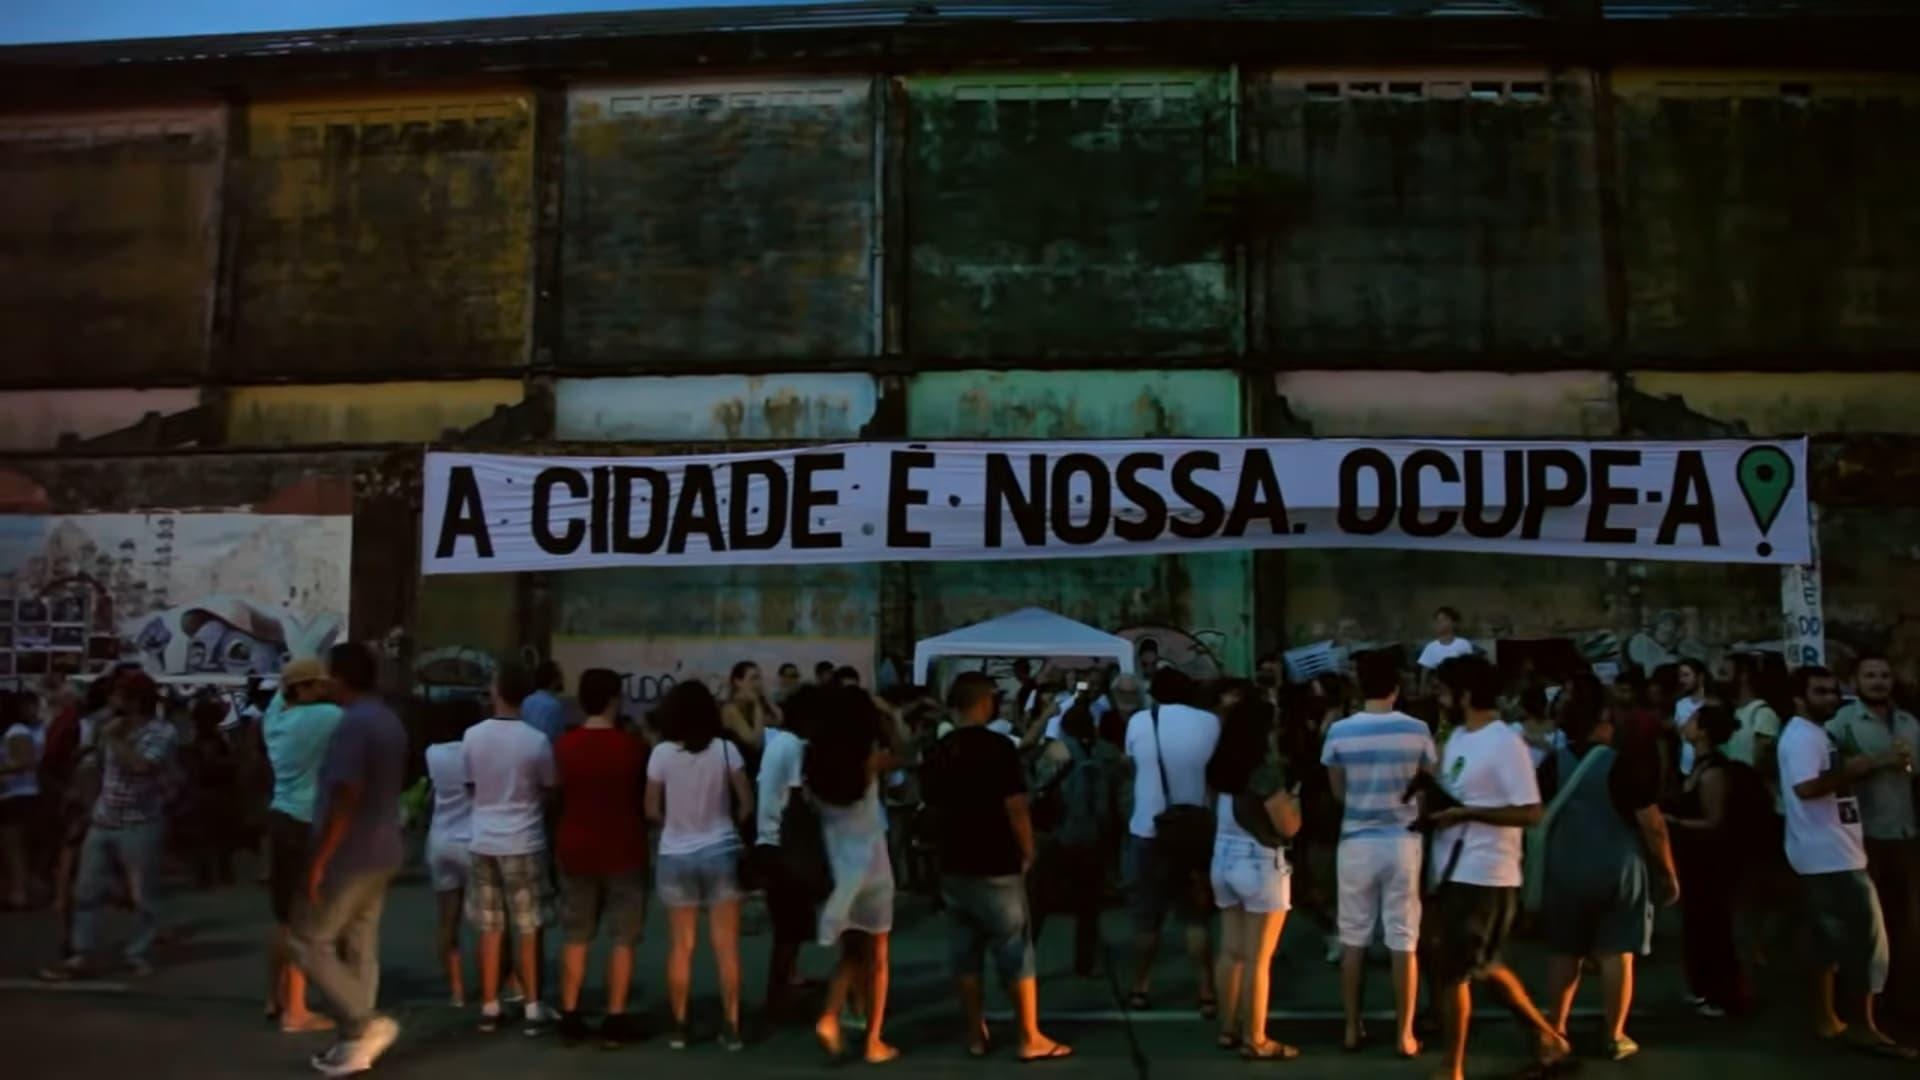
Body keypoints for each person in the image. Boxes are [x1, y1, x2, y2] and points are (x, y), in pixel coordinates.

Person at [1423, 656, 1570, 1080]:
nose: (1440, 700)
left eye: (1445, 692)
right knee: (1479, 966)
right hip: (1453, 867)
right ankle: (1546, 1037)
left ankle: (1453, 1066)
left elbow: (1530, 812)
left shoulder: (1505, 743)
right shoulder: (1458, 739)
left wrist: (1468, 814)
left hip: (1487, 871)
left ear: (1465, 695)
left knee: (1459, 971)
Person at [924, 672, 1071, 1063]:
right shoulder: (997, 748)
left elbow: (931, 806)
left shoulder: (941, 749)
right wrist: (1027, 851)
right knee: (1014, 949)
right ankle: (1029, 1035)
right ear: (985, 702)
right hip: (996, 862)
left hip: (954, 863)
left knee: (965, 953)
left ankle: (975, 1033)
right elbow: (1016, 805)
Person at [1538, 679, 1677, 1061]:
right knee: (1618, 953)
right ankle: (1615, 1035)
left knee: (1564, 952)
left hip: (1565, 867)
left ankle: (1556, 1030)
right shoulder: (1623, 764)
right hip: (1619, 867)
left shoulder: (1554, 763)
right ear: (1603, 719)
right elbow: (1652, 823)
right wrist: (1667, 873)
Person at [1779, 665, 1914, 1057]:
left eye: (1833, 691)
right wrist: (1859, 768)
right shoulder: (1802, 737)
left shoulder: (1814, 733)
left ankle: (1828, 1018)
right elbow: (1806, 788)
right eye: (1820, 692)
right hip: (1831, 855)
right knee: (1868, 944)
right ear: (1799, 698)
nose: (1831, 698)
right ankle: (1862, 1025)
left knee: (1828, 942)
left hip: (1830, 850)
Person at [292, 642, 408, 1077]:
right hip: (384, 844)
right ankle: (356, 1041)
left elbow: (347, 794)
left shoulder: (355, 725)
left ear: (339, 678)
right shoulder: (387, 719)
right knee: (359, 942)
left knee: (310, 939)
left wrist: (322, 857)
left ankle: (364, 1023)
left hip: (353, 850)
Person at [1320, 651, 1435, 1057]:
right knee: (1403, 938)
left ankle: (1353, 1028)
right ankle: (1405, 1034)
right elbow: (1428, 786)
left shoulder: (1339, 732)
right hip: (1403, 840)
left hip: (1356, 840)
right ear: (1397, 687)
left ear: (1359, 687)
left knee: (1353, 937)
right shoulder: (1417, 729)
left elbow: (1337, 792)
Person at [41, 673, 175, 981]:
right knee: (86, 891)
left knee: (144, 896)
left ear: (135, 701)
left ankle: (138, 953)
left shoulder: (160, 732)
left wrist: (114, 739)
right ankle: (81, 953)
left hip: (141, 822)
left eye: (119, 695)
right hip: (103, 819)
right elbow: (95, 764)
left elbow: (141, 766)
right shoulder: (104, 723)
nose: (112, 701)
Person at [645, 681, 753, 1050]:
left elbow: (651, 808)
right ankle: (732, 1024)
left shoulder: (660, 754)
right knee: (726, 946)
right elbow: (745, 803)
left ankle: (679, 1024)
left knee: (681, 946)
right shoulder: (726, 750)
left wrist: (674, 824)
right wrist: (727, 819)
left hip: (676, 853)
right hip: (720, 849)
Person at [553, 668, 651, 1046]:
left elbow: (556, 795)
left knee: (576, 933)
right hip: (624, 847)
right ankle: (615, 1015)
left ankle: (571, 1012)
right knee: (623, 937)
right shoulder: (631, 747)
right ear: (614, 699)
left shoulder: (565, 746)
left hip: (575, 845)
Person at [462, 659, 559, 1035]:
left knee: (490, 927)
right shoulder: (536, 740)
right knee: (529, 926)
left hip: (484, 836)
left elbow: (470, 785)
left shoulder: (472, 736)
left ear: (496, 691)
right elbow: (550, 789)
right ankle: (533, 1005)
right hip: (525, 838)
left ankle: (490, 1004)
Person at [807, 685, 901, 1064]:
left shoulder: (813, 764)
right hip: (873, 864)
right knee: (877, 956)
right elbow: (905, 753)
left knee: (851, 951)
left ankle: (831, 1016)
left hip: (839, 868)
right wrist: (889, 715)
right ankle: (874, 1040)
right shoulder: (869, 760)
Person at [1122, 667, 1221, 1014]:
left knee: (1147, 918)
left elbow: (1134, 768)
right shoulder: (1210, 723)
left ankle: (1140, 987)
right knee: (1195, 916)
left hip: (1148, 829)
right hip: (1194, 830)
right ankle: (1207, 991)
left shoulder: (1138, 722)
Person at [1208, 697, 1302, 1060]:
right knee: (1258, 959)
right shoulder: (1265, 772)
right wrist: (1295, 800)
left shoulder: (1221, 767)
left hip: (1223, 857)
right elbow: (1288, 826)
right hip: (1259, 862)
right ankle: (1256, 1038)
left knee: (1231, 952)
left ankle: (1227, 1028)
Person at [1828, 652, 1920, 1014]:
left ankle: (1900, 996)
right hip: (1862, 837)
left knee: (1905, 921)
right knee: (1863, 924)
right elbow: (1830, 776)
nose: (1879, 681)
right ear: (1856, 681)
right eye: (1871, 675)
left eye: (1884, 675)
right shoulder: (1842, 723)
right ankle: (1859, 1002)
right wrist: (1878, 762)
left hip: (1904, 832)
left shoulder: (1909, 722)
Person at [261, 658, 344, 1033]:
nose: (325, 690)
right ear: (304, 688)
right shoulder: (325, 717)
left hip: (280, 816)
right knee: (306, 919)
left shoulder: (275, 720)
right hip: (306, 822)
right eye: (319, 685)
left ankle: (274, 996)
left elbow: (280, 696)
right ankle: (296, 1009)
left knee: (282, 918)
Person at [1667, 703, 1760, 1017]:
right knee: (1700, 925)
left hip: (1711, 863)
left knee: (1712, 926)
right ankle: (1705, 988)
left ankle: (1721, 994)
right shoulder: (1700, 766)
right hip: (1696, 861)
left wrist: (1673, 823)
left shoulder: (1713, 772)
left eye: (1693, 720)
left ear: (1704, 731)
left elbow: (1714, 820)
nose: (1686, 723)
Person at [1030, 697, 1125, 979]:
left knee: (1039, 903)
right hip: (1093, 837)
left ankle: (1024, 959)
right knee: (1089, 906)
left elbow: (1038, 787)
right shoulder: (1105, 754)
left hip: (1058, 835)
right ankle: (1085, 962)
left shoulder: (1056, 752)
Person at [757, 683, 818, 1016]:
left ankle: (785, 982)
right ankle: (777, 993)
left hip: (771, 839)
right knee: (789, 926)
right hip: (783, 844)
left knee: (788, 924)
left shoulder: (779, 742)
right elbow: (797, 797)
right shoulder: (793, 746)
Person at [423, 699, 479, 1007]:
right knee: (487, 922)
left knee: (447, 920)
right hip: (471, 840)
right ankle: (497, 984)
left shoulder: (433, 752)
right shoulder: (472, 752)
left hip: (439, 839)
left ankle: (456, 991)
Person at [1, 690, 47, 910]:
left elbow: (25, 761)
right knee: (14, 848)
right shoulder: (13, 731)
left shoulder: (16, 731)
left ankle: (20, 894)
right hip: (14, 795)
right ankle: (20, 891)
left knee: (16, 848)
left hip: (19, 795)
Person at [721, 661, 778, 758]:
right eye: (753, 679)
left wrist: (766, 697)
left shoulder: (751, 706)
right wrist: (757, 705)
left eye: (759, 678)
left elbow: (777, 721)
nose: (758, 683)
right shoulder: (730, 709)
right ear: (738, 682)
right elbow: (755, 743)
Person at [1673, 658, 1710, 777]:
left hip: (1707, 766)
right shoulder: (1680, 704)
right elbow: (1681, 735)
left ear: (1700, 677)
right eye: (1680, 676)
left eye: (1686, 675)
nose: (1682, 680)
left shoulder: (1712, 704)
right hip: (1686, 768)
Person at [520, 660, 569, 743]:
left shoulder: (526, 701)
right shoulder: (555, 706)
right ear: (554, 680)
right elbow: (559, 739)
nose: (563, 678)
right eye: (560, 675)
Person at [1417, 607, 1474, 675]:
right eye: (1437, 620)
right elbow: (1424, 673)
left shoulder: (1464, 644)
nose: (1439, 622)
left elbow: (1470, 669)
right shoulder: (1430, 647)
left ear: (1454, 623)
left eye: (1444, 619)